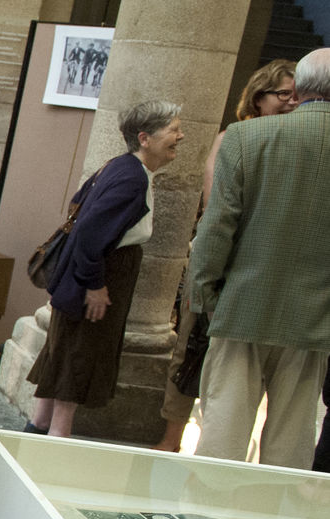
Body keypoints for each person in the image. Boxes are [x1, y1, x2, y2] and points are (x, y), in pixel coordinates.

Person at [187, 48, 330, 470]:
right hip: (316, 316)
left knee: (224, 433)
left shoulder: (247, 138)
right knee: (293, 439)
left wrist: (205, 295)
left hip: (243, 304)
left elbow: (218, 226)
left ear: (299, 88)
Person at [153, 59, 297, 451]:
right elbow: (216, 205)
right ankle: (171, 439)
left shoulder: (295, 139)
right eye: (283, 93)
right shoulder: (235, 137)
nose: (292, 102)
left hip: (266, 269)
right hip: (221, 260)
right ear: (259, 95)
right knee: (190, 348)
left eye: (297, 95)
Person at [25, 100, 184, 437]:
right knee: (80, 356)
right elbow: (88, 234)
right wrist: (94, 286)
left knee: (65, 354)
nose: (180, 137)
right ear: (145, 137)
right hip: (100, 277)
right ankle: (56, 437)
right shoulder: (131, 178)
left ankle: (39, 427)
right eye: (173, 131)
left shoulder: (119, 167)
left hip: (88, 277)